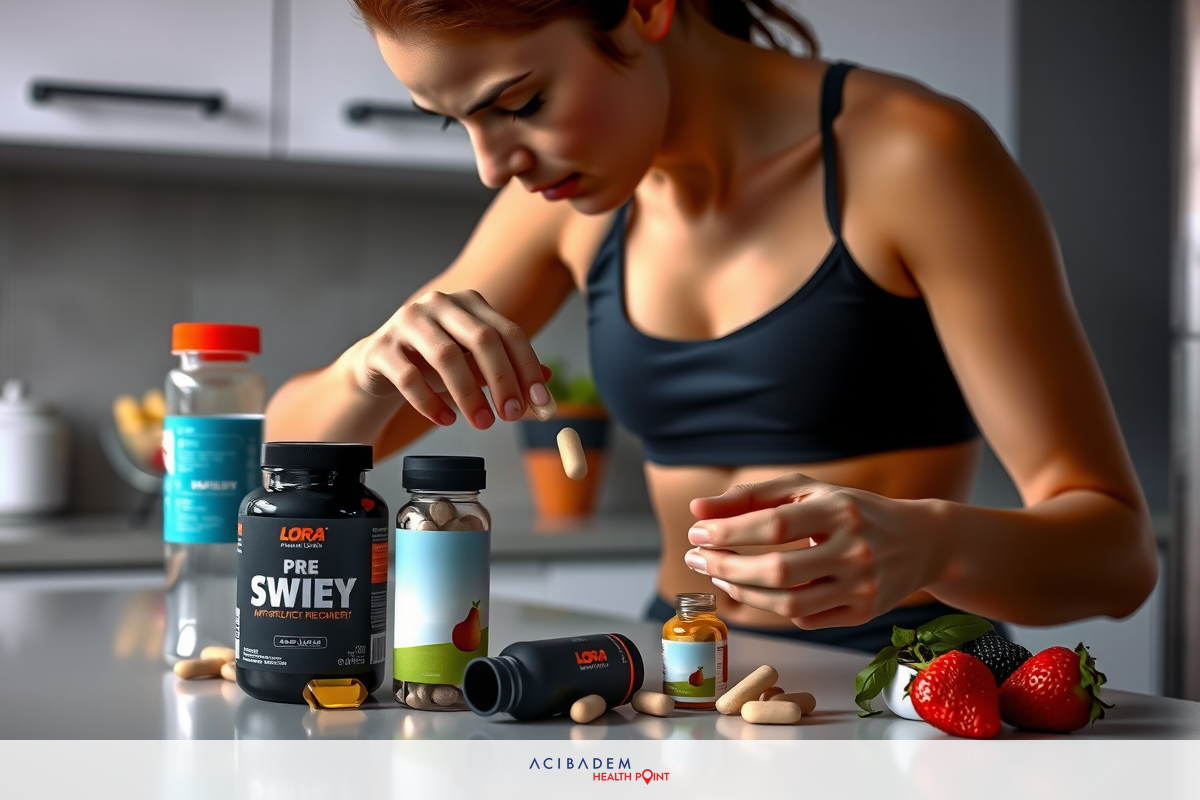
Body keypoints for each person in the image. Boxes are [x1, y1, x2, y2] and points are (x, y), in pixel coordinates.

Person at [265, 0, 1158, 652]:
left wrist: (931, 543)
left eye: (523, 101)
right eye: (456, 121)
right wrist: (363, 372)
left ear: (647, 9)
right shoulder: (565, 206)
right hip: (684, 672)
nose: (493, 166)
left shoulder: (914, 158)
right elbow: (281, 458)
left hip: (913, 684)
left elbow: (1117, 558)